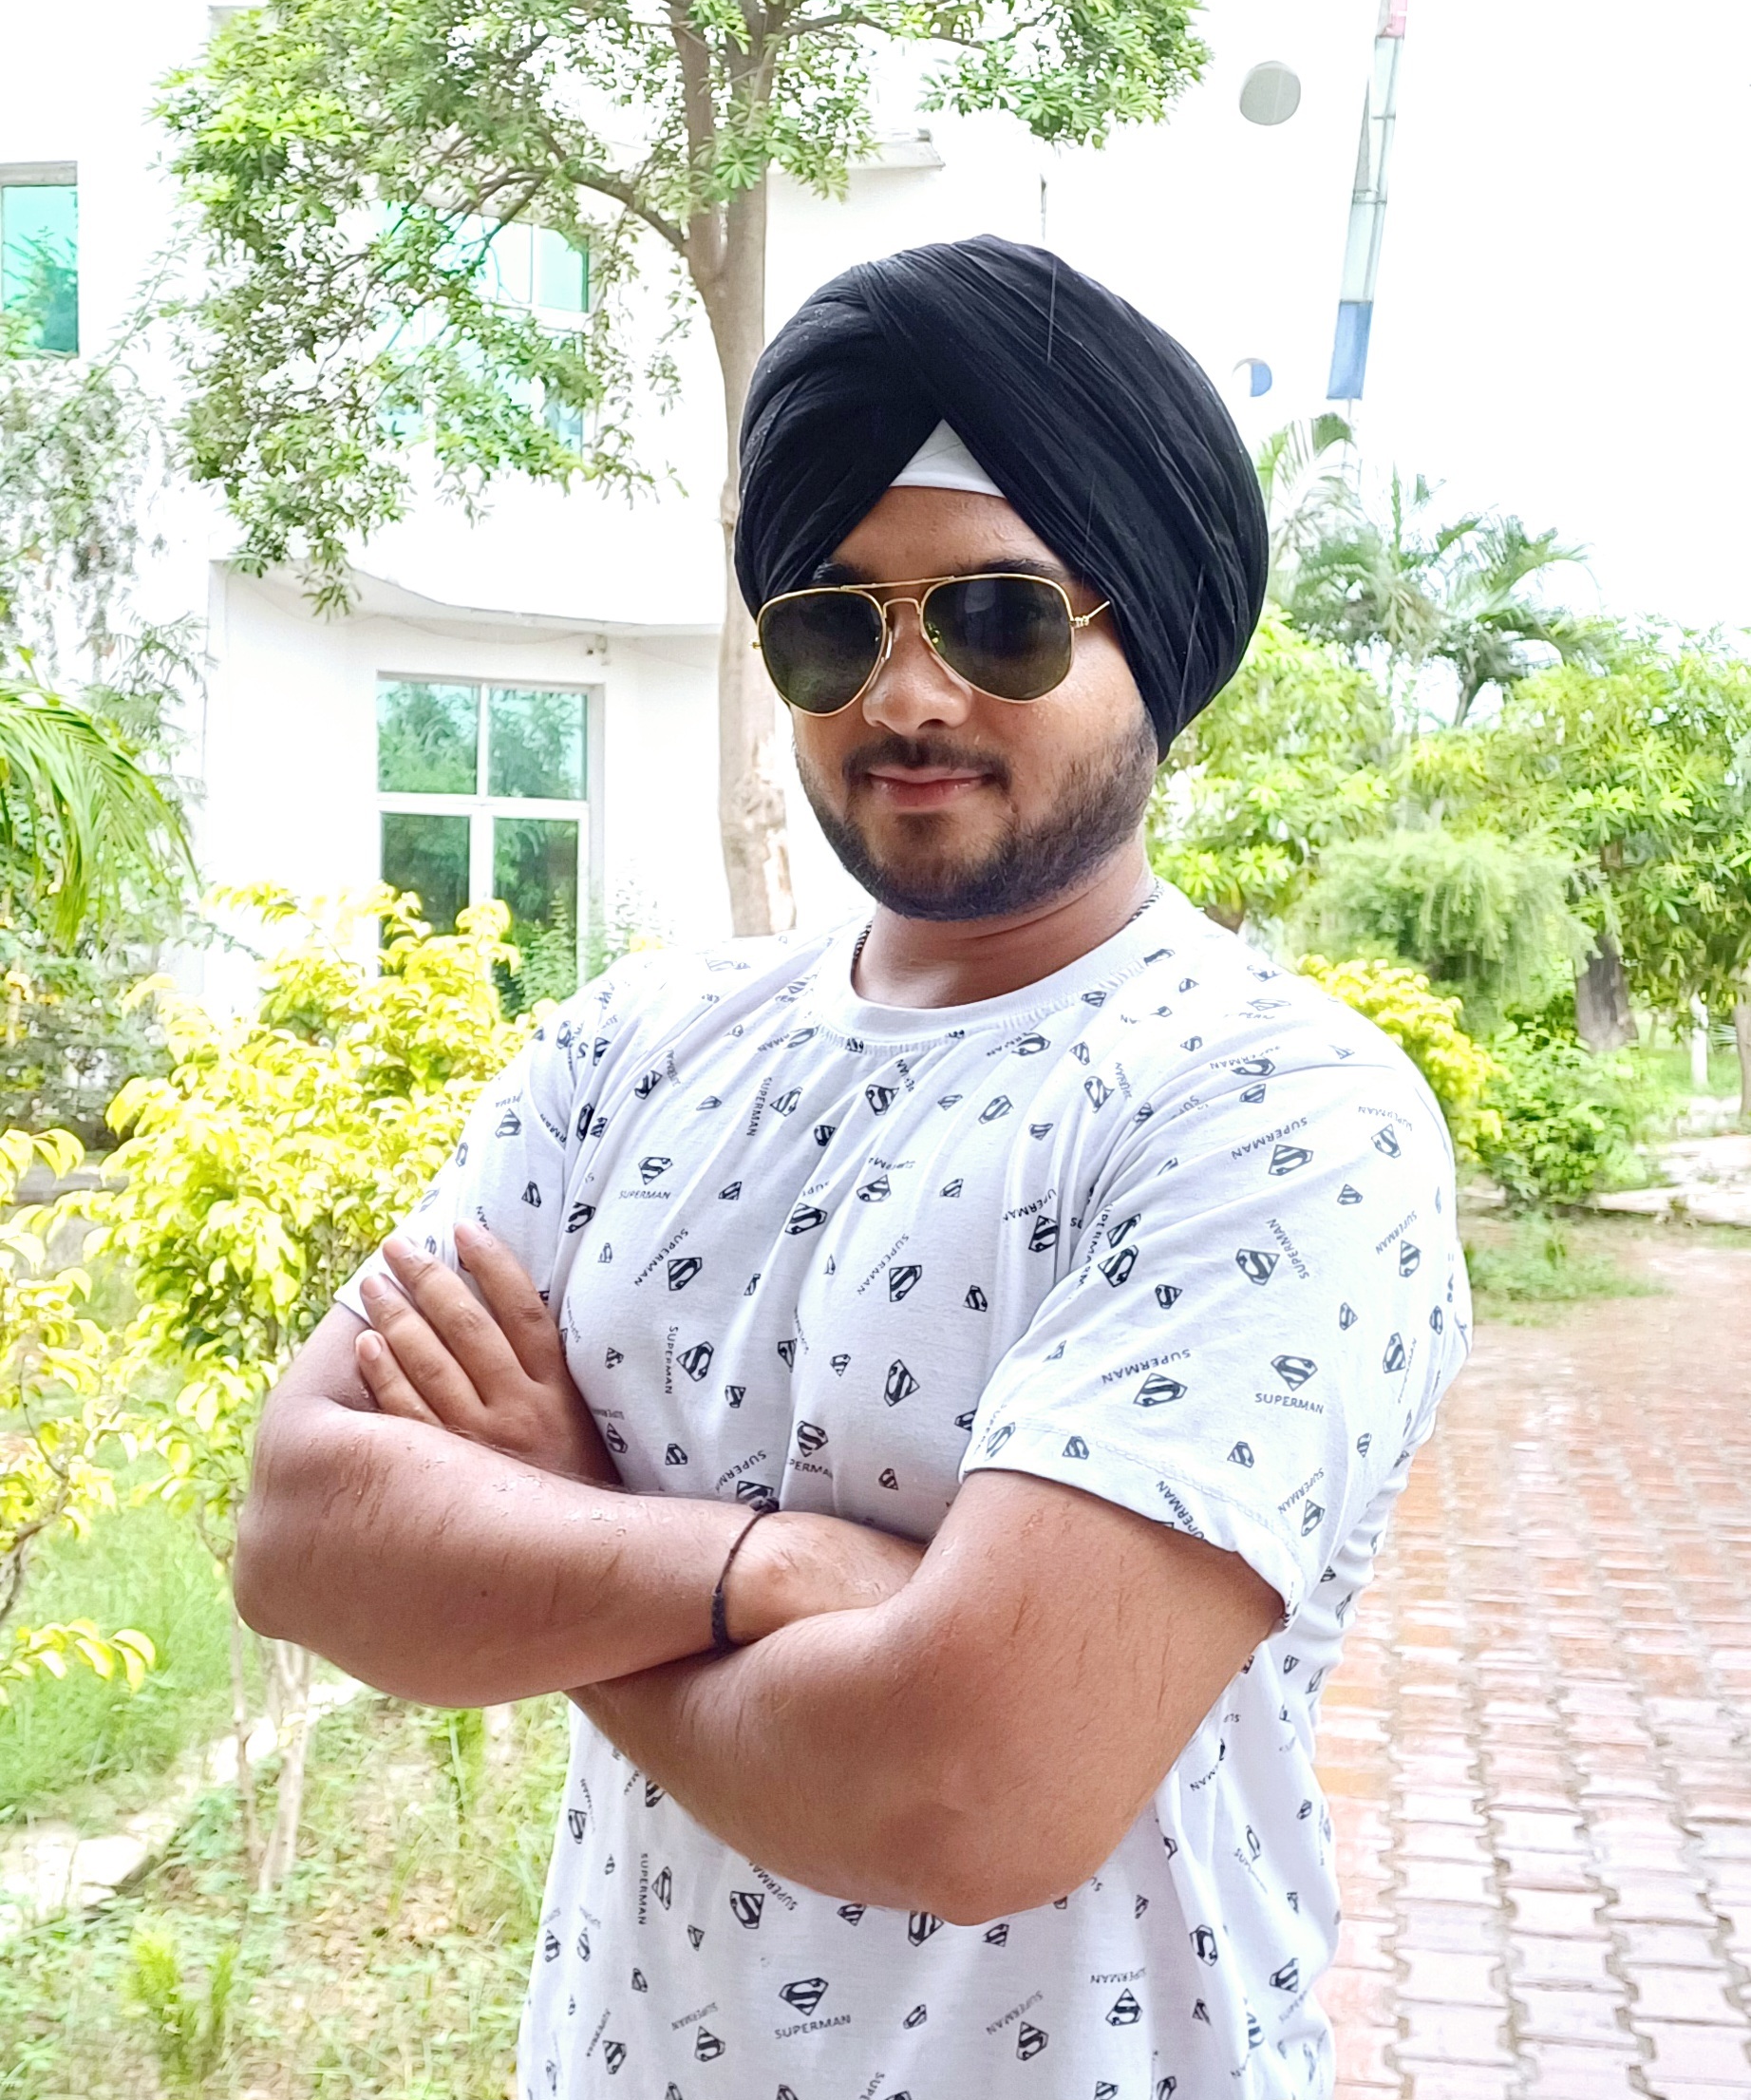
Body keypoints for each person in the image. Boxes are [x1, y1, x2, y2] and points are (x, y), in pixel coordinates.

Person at [235, 236, 1467, 2099]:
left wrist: (565, 1523)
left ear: (1153, 633)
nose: (905, 695)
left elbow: (969, 1787)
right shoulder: (624, 1050)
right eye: (834, 624)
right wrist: (777, 1570)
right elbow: (302, 1535)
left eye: (997, 619)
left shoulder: (1269, 1110)